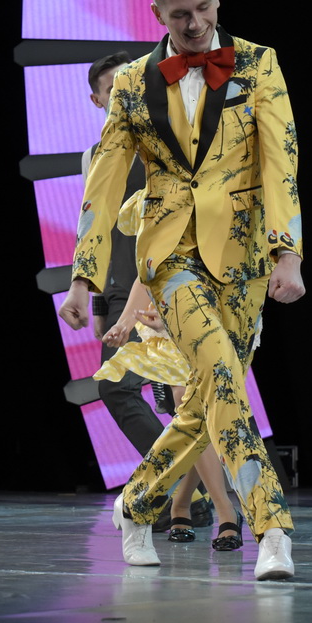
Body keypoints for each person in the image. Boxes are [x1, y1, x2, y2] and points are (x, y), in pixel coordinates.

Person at [58, 0, 304, 580]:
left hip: (245, 257)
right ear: (157, 13)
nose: (194, 23)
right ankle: (272, 528)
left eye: (202, 8)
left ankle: (137, 503)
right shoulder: (132, 84)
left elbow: (281, 163)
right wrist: (83, 276)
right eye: (179, 14)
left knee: (207, 397)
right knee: (221, 375)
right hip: (169, 259)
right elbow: (103, 186)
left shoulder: (259, 64)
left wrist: (288, 252)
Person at [83, 52, 212, 532]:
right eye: (112, 88)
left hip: (169, 281)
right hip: (123, 289)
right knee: (137, 391)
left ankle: (186, 495)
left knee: (167, 393)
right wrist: (100, 300)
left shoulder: (167, 139)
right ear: (97, 99)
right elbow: (97, 230)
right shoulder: (94, 155)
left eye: (128, 82)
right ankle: (190, 496)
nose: (123, 92)